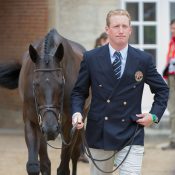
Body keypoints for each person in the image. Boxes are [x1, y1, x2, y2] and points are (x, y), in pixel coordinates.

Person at [71, 9, 169, 175]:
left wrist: (153, 115)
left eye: (125, 26)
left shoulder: (143, 60)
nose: (121, 30)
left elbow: (162, 90)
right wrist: (76, 113)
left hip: (131, 131)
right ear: (107, 29)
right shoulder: (91, 58)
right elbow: (79, 92)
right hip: (99, 132)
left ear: (130, 30)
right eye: (116, 26)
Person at [162, 19, 175, 150]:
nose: (173, 31)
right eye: (172, 28)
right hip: (171, 77)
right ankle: (173, 140)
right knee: (172, 110)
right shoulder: (172, 43)